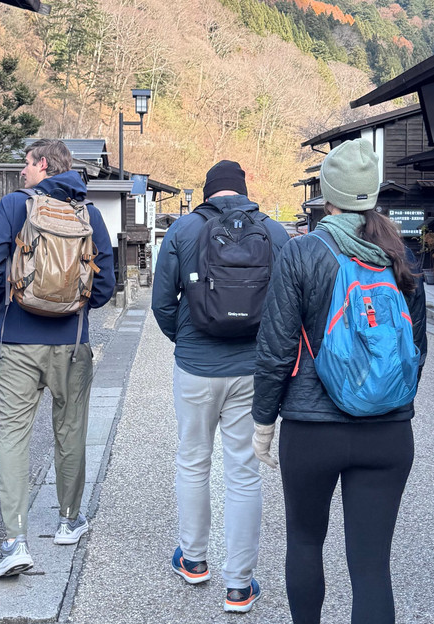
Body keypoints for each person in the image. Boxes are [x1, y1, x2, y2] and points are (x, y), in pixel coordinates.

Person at [251, 138, 428, 624]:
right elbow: (416, 351)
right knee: (372, 567)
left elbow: (276, 349)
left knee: (306, 541)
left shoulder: (302, 252)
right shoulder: (400, 256)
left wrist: (263, 421)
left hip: (313, 429)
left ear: (325, 194)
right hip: (389, 432)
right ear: (373, 194)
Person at [151, 160, 290, 613]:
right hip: (252, 369)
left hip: (195, 366)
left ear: (209, 192)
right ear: (244, 192)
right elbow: (289, 305)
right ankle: (239, 585)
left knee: (193, 461)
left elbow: (162, 303)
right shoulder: (273, 231)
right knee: (244, 472)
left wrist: (187, 339)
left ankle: (193, 560)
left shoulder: (184, 230)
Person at [0, 139, 115, 579]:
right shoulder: (89, 214)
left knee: (13, 437)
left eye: (26, 164)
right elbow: (106, 283)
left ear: (43, 165)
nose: (22, 172)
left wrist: (18, 301)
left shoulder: (15, 207)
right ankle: (68, 521)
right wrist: (70, 306)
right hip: (71, 343)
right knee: (70, 432)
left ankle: (15, 541)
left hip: (17, 343)